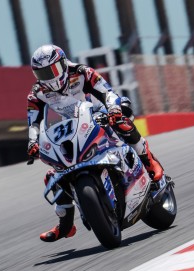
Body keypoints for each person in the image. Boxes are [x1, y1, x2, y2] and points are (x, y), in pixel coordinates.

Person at [26, 45, 164, 242]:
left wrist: (113, 109)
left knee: (122, 123)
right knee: (54, 173)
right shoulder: (37, 92)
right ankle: (66, 225)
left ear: (63, 64)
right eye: (42, 73)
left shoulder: (82, 73)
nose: (48, 77)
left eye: (52, 71)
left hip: (100, 113)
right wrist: (33, 141)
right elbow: (34, 122)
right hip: (70, 128)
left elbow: (107, 92)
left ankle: (150, 162)